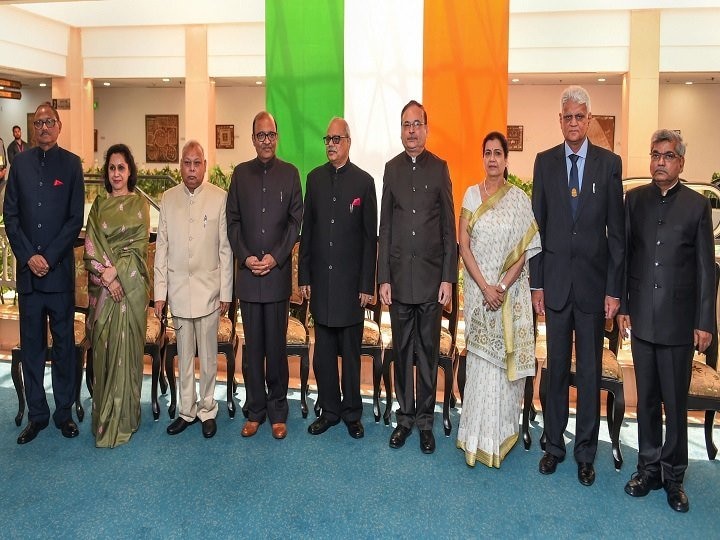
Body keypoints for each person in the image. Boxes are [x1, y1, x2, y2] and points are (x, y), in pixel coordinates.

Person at [530, 86, 625, 485]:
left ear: (589, 119)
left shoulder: (609, 164)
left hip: (591, 288)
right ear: (561, 120)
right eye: (567, 116)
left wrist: (614, 290)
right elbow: (537, 227)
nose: (573, 122)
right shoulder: (544, 162)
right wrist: (536, 285)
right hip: (554, 285)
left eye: (579, 116)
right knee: (554, 371)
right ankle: (554, 445)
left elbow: (616, 233)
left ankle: (586, 452)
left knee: (588, 373)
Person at [618, 130, 714, 513]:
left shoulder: (696, 206)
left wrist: (704, 320)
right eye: (655, 154)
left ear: (681, 163)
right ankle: (649, 468)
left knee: (675, 403)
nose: (660, 161)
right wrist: (623, 306)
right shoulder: (635, 200)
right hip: (642, 318)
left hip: (678, 323)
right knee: (646, 403)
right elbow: (625, 257)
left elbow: (707, 269)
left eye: (668, 156)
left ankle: (674, 478)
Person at [456, 131, 541, 467]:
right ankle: (474, 436)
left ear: (506, 159)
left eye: (498, 153)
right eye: (487, 153)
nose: (492, 159)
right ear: (483, 158)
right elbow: (464, 244)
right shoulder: (470, 196)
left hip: (506, 295)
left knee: (502, 369)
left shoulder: (519, 199)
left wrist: (502, 287)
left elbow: (524, 250)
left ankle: (500, 435)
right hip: (479, 294)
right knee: (479, 366)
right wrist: (484, 286)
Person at [378, 100, 457, 454]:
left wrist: (447, 279)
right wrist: (383, 278)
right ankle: (405, 418)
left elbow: (448, 228)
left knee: (426, 353)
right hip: (398, 280)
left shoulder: (440, 169)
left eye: (417, 124)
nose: (411, 130)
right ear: (401, 129)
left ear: (426, 128)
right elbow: (386, 226)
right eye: (406, 125)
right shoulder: (391, 169)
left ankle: (425, 422)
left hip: (429, 282)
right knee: (401, 350)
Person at [3, 102, 85, 444]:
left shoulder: (71, 164)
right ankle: (37, 414)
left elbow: (74, 219)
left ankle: (63, 412)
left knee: (64, 347)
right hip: (29, 278)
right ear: (32, 127)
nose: (44, 127)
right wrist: (29, 257)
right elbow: (11, 217)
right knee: (33, 348)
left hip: (58, 275)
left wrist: (47, 257)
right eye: (38, 122)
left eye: (49, 121)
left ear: (60, 125)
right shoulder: (19, 165)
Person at [299, 117, 377, 439]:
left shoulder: (364, 182)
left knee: (351, 356)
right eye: (327, 139)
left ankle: (352, 413)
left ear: (348, 141)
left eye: (336, 139)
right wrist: (304, 275)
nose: (331, 144)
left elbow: (370, 238)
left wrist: (366, 285)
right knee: (324, 355)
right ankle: (329, 410)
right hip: (322, 285)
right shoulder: (314, 179)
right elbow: (308, 232)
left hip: (350, 289)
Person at [227, 111, 302, 440]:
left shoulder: (290, 174)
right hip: (249, 278)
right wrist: (246, 257)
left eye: (271, 134)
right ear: (253, 138)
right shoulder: (240, 174)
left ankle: (278, 411)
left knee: (276, 348)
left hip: (276, 277)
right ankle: (254, 410)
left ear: (277, 136)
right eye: (261, 135)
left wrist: (275, 257)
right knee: (253, 348)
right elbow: (232, 222)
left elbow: (294, 222)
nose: (266, 140)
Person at [154, 140, 233, 439]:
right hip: (178, 291)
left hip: (210, 290)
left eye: (196, 163)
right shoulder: (168, 197)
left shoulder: (219, 197)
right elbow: (161, 248)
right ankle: (187, 410)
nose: (191, 169)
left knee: (209, 355)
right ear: (180, 166)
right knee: (184, 354)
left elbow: (225, 249)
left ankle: (208, 408)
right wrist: (160, 293)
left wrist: (226, 292)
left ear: (205, 165)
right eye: (186, 163)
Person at [84, 143, 150, 448]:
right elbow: (90, 247)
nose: (116, 173)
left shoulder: (139, 206)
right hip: (105, 291)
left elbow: (138, 249)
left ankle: (125, 417)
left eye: (121, 167)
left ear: (130, 171)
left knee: (128, 355)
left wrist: (116, 273)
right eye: (111, 168)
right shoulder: (98, 206)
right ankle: (104, 419)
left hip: (130, 290)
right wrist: (107, 277)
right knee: (105, 354)